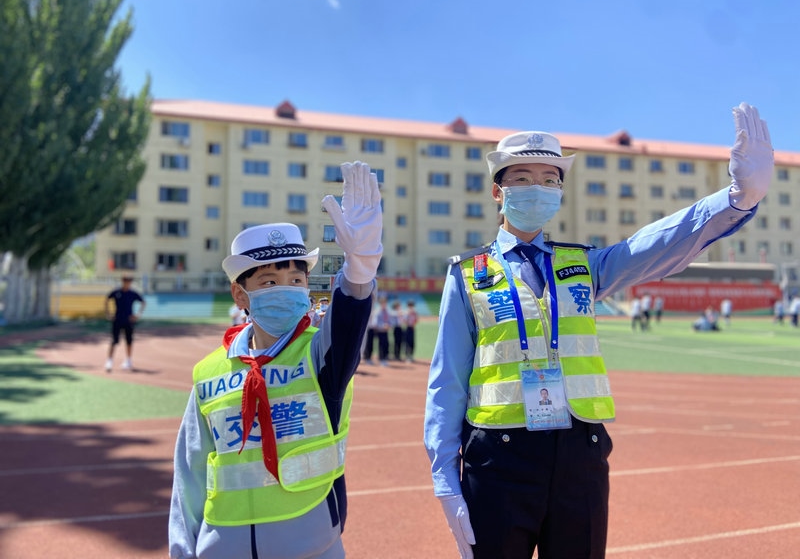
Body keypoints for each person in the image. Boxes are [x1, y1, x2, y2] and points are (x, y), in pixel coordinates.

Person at [423, 103, 773, 559]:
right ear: (497, 191)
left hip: (580, 454)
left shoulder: (583, 264)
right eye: (523, 179)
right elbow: (447, 381)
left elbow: (652, 246)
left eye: (550, 181)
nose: (537, 189)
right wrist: (445, 478)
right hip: (498, 458)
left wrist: (735, 199)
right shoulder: (468, 274)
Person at [168, 161, 382, 559]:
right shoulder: (209, 373)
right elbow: (191, 472)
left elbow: (349, 320)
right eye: (268, 282)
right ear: (241, 295)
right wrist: (183, 551)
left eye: (296, 280)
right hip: (223, 547)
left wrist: (360, 268)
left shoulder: (320, 356)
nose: (287, 290)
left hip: (313, 546)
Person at [104, 275, 145, 372]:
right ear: (123, 281)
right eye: (126, 281)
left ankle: (128, 360)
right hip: (117, 319)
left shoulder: (132, 293)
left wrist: (137, 315)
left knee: (129, 341)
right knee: (114, 341)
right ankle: (109, 361)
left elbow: (143, 302)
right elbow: (107, 300)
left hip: (128, 320)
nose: (128, 283)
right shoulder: (116, 292)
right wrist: (108, 313)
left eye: (129, 281)